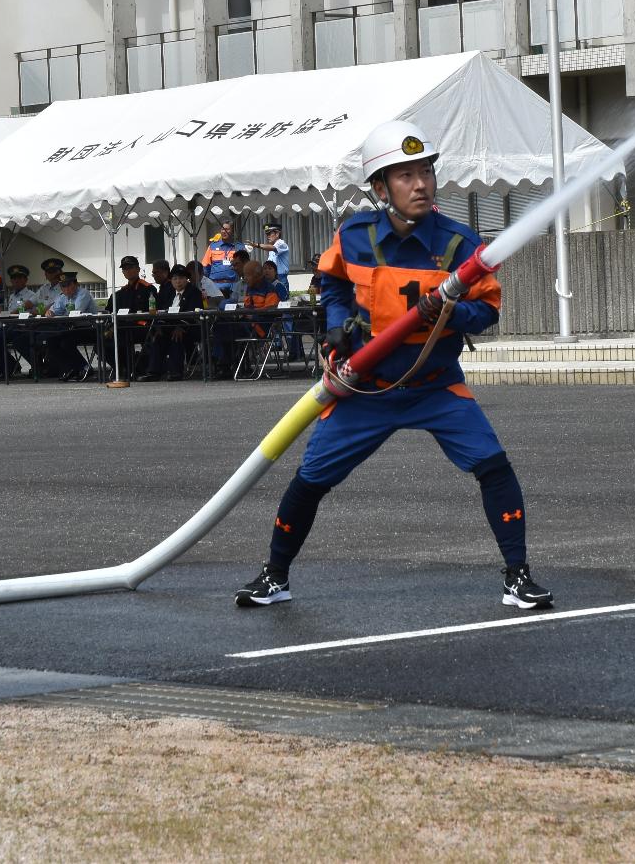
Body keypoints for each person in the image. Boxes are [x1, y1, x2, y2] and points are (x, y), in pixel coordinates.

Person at [234, 118, 554, 611]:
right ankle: (275, 576)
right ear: (381, 186)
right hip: (367, 387)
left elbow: (488, 311)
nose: (420, 183)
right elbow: (335, 284)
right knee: (310, 479)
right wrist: (337, 326)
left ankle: (517, 577)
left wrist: (445, 310)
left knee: (493, 466)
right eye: (405, 175)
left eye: (425, 170)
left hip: (435, 385)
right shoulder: (355, 234)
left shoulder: (459, 243)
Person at [144, 264, 204, 380]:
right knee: (158, 337)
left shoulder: (194, 292)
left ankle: (176, 372)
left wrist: (181, 327)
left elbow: (194, 314)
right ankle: (153, 372)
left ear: (186, 279)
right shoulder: (168, 292)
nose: (178, 282)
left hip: (189, 327)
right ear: (171, 280)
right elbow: (160, 310)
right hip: (168, 326)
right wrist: (159, 327)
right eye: (175, 279)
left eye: (181, 278)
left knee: (176, 336)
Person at [45, 269, 98, 381]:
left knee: (66, 342)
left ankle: (85, 367)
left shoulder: (83, 294)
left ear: (76, 284)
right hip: (72, 329)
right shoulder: (62, 297)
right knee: (51, 341)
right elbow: (54, 310)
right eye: (63, 286)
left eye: (68, 285)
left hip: (89, 328)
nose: (66, 289)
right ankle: (70, 368)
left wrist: (58, 313)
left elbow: (76, 312)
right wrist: (50, 312)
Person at [112, 256, 156, 377]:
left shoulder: (148, 289)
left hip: (142, 327)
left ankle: (135, 368)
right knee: (103, 341)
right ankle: (124, 368)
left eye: (130, 267)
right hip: (123, 328)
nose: (128, 271)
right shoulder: (120, 294)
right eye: (125, 269)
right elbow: (109, 311)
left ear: (138, 269)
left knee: (124, 336)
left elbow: (153, 312)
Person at [201, 221, 246, 301]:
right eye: (222, 229)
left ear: (233, 231)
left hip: (234, 286)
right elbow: (205, 268)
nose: (224, 231)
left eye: (227, 229)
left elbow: (245, 267)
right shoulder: (212, 246)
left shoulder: (239, 247)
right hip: (215, 286)